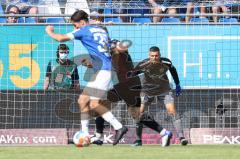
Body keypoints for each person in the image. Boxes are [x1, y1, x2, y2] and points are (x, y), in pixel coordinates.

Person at [45, 10, 127, 146]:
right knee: (82, 100)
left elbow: (59, 38)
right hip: (102, 70)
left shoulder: (84, 30)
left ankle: (119, 127)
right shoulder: (100, 30)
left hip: (103, 71)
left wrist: (49, 30)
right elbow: (104, 50)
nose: (74, 28)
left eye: (75, 25)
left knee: (94, 104)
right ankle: (85, 134)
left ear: (82, 22)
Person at [92, 40, 173, 147]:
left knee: (100, 105)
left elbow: (119, 51)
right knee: (137, 115)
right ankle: (164, 133)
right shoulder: (114, 57)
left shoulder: (121, 53)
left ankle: (100, 135)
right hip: (130, 86)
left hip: (126, 85)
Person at [127, 46, 188, 146]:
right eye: (152, 56)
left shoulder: (166, 62)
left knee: (172, 111)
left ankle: (181, 137)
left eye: (156, 56)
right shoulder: (143, 64)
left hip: (164, 90)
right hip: (147, 91)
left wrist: (177, 84)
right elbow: (132, 74)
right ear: (149, 55)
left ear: (159, 55)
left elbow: (173, 71)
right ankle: (138, 140)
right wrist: (130, 75)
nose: (154, 58)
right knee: (139, 114)